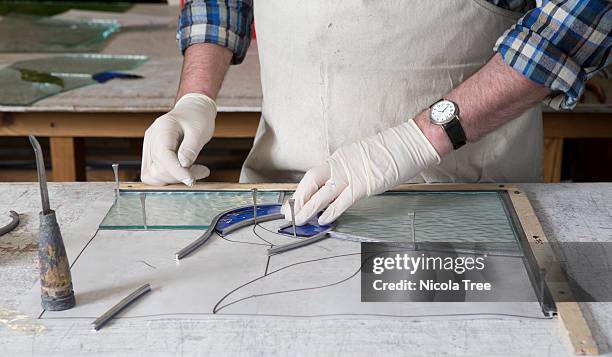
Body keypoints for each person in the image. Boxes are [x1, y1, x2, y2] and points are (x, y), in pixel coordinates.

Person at [141, 0, 611, 226]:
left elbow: (572, 26)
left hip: (460, 200)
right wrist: (194, 100)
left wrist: (414, 141)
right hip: (286, 199)